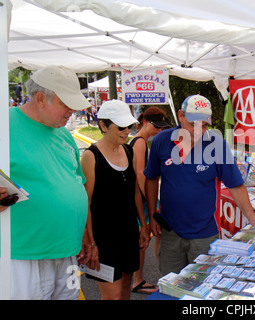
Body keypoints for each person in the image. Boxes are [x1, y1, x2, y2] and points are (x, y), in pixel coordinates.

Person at [144, 94, 255, 276]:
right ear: (181, 116)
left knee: (202, 287)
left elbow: (235, 185)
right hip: (170, 233)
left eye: (204, 125)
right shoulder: (161, 141)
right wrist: (152, 215)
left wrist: (251, 215)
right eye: (193, 124)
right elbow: (151, 178)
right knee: (170, 286)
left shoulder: (216, 144)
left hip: (204, 234)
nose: (198, 131)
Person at [1, 65, 91, 300]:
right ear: (40, 98)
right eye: (65, 104)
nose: (72, 110)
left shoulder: (63, 134)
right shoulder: (3, 127)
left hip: (66, 250)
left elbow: (77, 185)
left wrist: (83, 236)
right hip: (24, 254)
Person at [81, 100, 150, 300]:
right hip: (104, 238)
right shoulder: (90, 156)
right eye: (120, 127)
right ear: (103, 126)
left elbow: (135, 192)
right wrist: (91, 242)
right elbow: (86, 202)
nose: (126, 131)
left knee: (126, 288)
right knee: (112, 296)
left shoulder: (129, 151)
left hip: (128, 233)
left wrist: (143, 226)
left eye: (128, 126)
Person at [129, 106, 171, 294]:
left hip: (143, 200)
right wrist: (151, 202)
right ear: (145, 123)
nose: (159, 131)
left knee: (148, 237)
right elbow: (140, 174)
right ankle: (138, 280)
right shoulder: (139, 142)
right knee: (146, 237)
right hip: (143, 201)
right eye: (157, 126)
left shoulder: (142, 141)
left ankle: (140, 279)